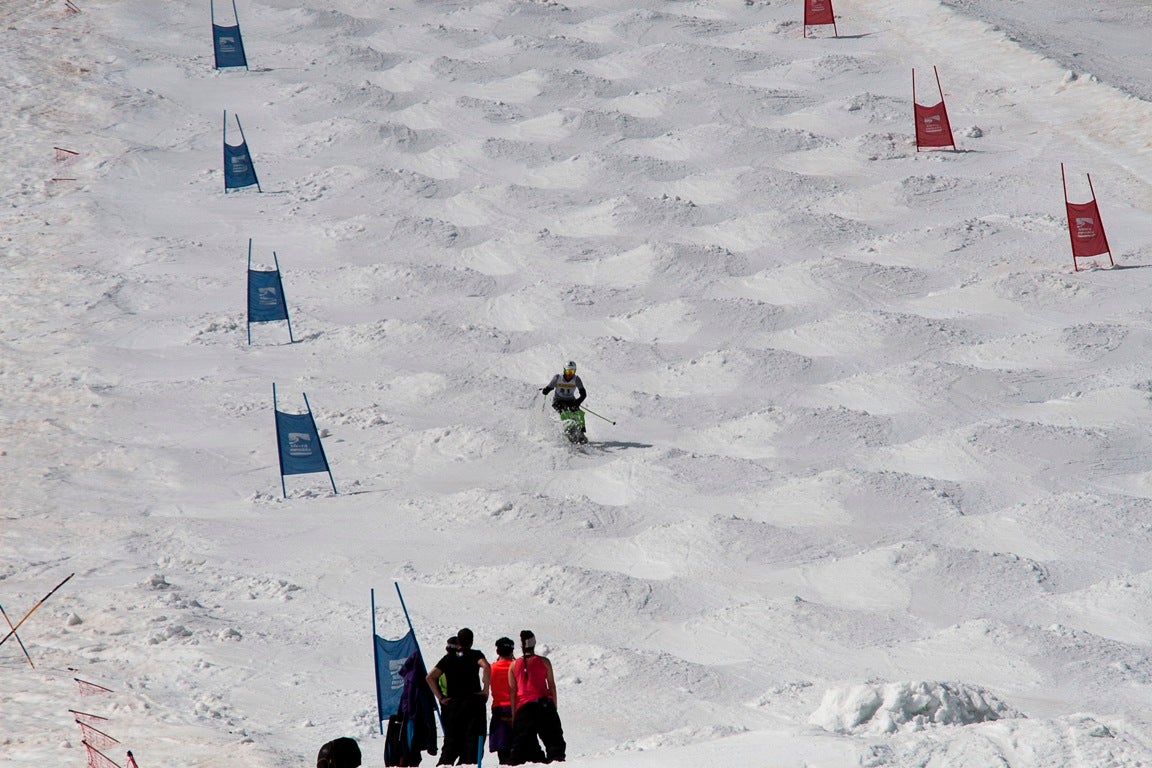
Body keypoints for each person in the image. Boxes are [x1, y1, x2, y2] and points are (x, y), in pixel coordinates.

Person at [427, 628, 491, 765]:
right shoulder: (476, 655)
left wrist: (441, 698)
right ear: (471, 642)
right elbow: (486, 666)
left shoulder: (448, 658)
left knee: (452, 741)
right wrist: (486, 690)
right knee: (473, 742)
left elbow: (430, 677)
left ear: (458, 641)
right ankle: (467, 764)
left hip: (454, 705)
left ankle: (444, 764)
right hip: (473, 703)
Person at [508, 630, 565, 764]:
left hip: (523, 709)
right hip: (544, 705)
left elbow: (512, 691)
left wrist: (514, 714)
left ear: (521, 646)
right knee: (554, 741)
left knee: (522, 745)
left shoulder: (513, 665)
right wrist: (554, 705)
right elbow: (551, 685)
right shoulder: (544, 662)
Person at [541, 361, 587, 443]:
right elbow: (549, 387)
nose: (570, 374)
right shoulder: (557, 378)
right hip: (558, 400)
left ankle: (581, 433)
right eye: (568, 371)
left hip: (571, 400)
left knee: (579, 413)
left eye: (572, 372)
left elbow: (583, 394)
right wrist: (545, 390)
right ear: (564, 370)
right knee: (565, 412)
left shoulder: (576, 379)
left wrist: (578, 401)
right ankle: (569, 432)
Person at [488, 638, 516, 764]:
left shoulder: (491, 668)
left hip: (499, 708)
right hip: (516, 708)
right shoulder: (516, 667)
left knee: (503, 747)